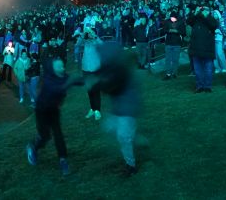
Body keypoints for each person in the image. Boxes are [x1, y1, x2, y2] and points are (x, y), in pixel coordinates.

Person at [26, 56, 84, 176]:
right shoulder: (48, 79)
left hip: (54, 110)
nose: (62, 68)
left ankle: (63, 159)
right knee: (45, 136)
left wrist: (91, 79)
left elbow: (77, 81)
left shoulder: (63, 77)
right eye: (58, 66)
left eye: (62, 66)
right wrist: (69, 83)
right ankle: (33, 147)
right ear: (52, 68)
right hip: (42, 110)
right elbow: (56, 89)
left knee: (58, 135)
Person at [93, 42, 142, 176]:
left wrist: (98, 85)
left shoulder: (121, 69)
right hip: (119, 108)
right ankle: (134, 138)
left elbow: (112, 88)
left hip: (128, 108)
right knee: (109, 127)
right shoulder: (111, 65)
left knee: (123, 136)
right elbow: (100, 72)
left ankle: (131, 166)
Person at [187, 6, 221, 93]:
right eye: (202, 10)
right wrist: (195, 13)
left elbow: (214, 25)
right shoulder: (196, 18)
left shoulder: (211, 18)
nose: (203, 11)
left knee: (208, 69)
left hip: (207, 48)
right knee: (197, 70)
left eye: (206, 10)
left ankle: (207, 86)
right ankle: (199, 86)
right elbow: (188, 21)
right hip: (195, 48)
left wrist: (207, 16)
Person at [162, 6, 185, 80]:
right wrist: (169, 30)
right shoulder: (167, 22)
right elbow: (164, 30)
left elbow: (183, 32)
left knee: (175, 59)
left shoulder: (180, 22)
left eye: (174, 17)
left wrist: (177, 31)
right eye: (171, 17)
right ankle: (168, 73)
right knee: (168, 59)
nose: (172, 19)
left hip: (177, 43)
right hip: (169, 43)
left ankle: (174, 73)